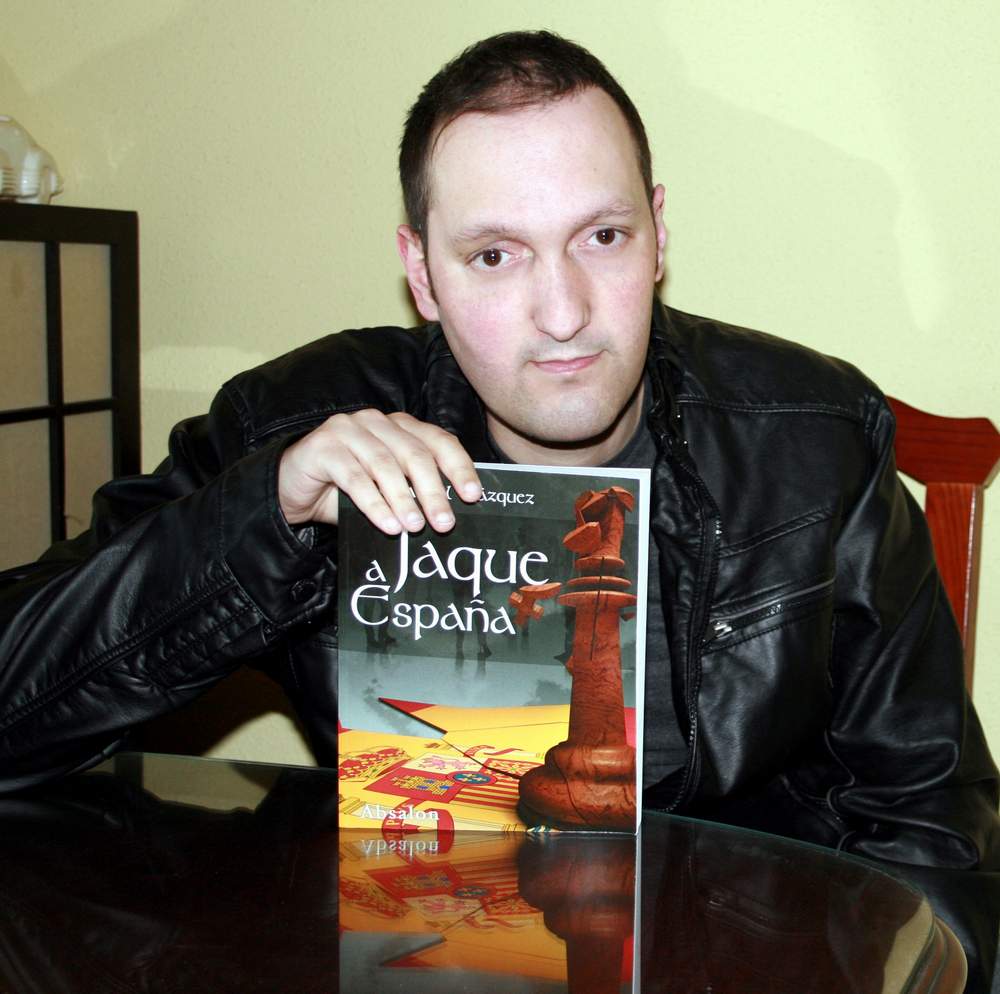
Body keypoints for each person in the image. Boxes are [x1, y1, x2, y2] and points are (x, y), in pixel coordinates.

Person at [0, 29, 997, 988]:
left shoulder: (812, 439)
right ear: (421, 273)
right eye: (493, 255)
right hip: (420, 950)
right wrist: (264, 521)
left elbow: (932, 823)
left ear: (657, 236)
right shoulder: (295, 428)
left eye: (601, 236)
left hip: (735, 957)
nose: (563, 314)